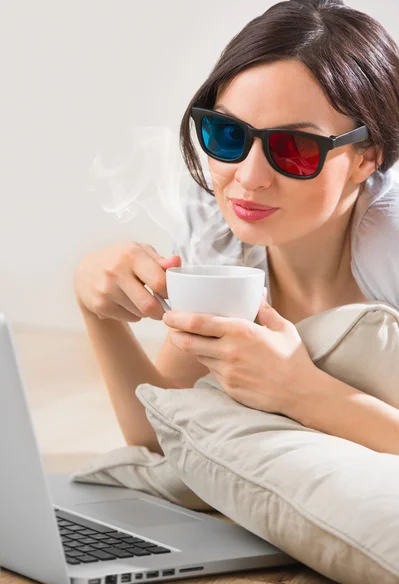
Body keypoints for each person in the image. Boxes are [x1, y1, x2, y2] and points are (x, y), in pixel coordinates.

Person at [73, 0, 399, 457]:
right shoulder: (219, 235)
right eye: (228, 135)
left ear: (367, 157)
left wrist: (299, 391)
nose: (248, 177)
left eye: (295, 149)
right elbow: (158, 436)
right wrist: (98, 313)